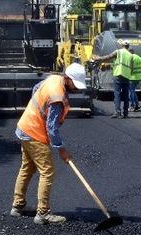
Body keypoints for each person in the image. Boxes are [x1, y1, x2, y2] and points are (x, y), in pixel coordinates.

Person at [11, 63, 86, 225]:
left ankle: (17, 207)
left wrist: (38, 112)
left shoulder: (53, 78)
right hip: (34, 134)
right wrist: (61, 150)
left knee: (27, 168)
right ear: (67, 78)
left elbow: (35, 89)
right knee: (47, 172)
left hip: (24, 127)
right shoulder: (57, 98)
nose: (76, 88)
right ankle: (43, 213)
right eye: (74, 84)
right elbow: (51, 128)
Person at [93, 40, 132, 118]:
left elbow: (108, 57)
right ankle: (126, 113)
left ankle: (118, 112)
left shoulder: (118, 52)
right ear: (128, 46)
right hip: (127, 76)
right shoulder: (130, 55)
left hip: (118, 74)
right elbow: (131, 67)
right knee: (126, 95)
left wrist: (98, 58)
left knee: (117, 94)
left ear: (122, 45)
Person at [128, 46, 141, 112]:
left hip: (132, 77)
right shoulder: (138, 57)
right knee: (133, 91)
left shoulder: (130, 57)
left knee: (131, 92)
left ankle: (132, 106)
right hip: (138, 77)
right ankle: (137, 104)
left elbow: (130, 68)